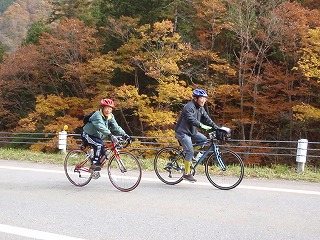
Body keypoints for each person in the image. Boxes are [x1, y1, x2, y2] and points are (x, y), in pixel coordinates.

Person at [175, 88, 220, 182]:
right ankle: (186, 174)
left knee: (204, 140)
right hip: (182, 132)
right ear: (196, 98)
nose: (204, 100)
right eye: (202, 98)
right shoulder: (188, 107)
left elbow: (207, 119)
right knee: (190, 151)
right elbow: (190, 119)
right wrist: (202, 126)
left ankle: (188, 153)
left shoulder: (201, 108)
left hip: (192, 132)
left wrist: (216, 128)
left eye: (205, 98)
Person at [82, 98, 130, 171]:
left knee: (104, 152)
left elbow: (116, 127)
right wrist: (111, 135)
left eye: (110, 109)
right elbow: (101, 127)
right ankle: (95, 164)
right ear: (102, 108)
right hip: (87, 134)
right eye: (106, 108)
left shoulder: (110, 116)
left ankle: (96, 164)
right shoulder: (97, 115)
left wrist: (125, 134)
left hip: (97, 136)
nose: (108, 110)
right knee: (99, 145)